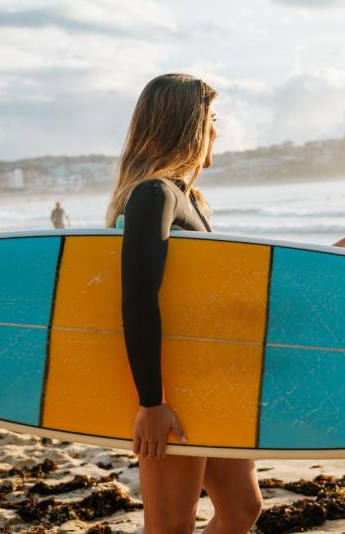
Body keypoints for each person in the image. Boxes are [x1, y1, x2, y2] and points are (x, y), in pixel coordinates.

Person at [104, 73, 262, 533]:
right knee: (170, 528)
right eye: (212, 119)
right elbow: (137, 299)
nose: (218, 130)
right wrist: (152, 402)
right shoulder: (153, 195)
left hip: (207, 382)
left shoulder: (188, 199)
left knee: (242, 508)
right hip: (171, 390)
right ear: (189, 126)